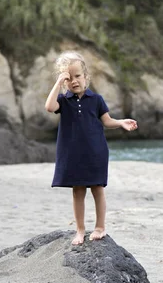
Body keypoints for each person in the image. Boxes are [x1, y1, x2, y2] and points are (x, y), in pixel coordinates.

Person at [44, 51, 138, 245]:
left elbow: (107, 121)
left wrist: (120, 123)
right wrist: (58, 84)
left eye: (78, 76)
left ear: (86, 77)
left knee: (97, 188)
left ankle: (100, 227)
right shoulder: (63, 100)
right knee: (78, 191)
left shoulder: (96, 100)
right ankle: (80, 230)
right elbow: (49, 107)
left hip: (96, 151)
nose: (74, 81)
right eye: (69, 78)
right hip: (72, 153)